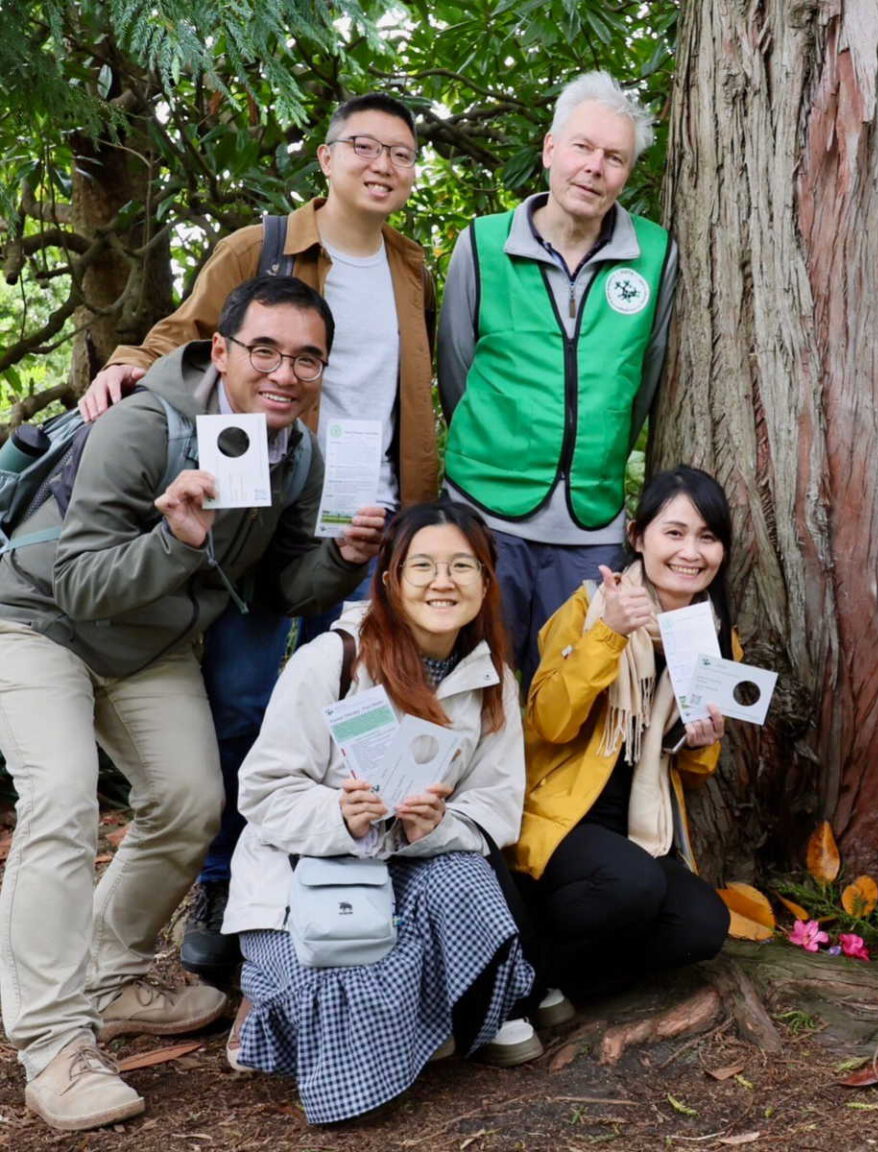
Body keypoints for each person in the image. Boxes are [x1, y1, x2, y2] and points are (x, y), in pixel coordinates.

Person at [0, 275, 384, 1132]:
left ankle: (114, 973)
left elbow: (283, 582)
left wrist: (346, 555)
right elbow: (81, 583)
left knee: (191, 802)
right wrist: (175, 539)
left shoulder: (296, 453)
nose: (284, 373)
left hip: (149, 643)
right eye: (266, 351)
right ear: (223, 352)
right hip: (35, 624)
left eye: (306, 358)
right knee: (60, 799)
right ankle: (53, 1042)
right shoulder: (144, 427)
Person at [79, 92, 438, 983]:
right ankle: (225, 881)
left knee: (357, 709)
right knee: (242, 704)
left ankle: (337, 880)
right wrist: (123, 368)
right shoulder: (262, 246)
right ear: (328, 157)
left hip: (363, 521)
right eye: (366, 147)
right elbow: (183, 336)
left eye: (401, 154)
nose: (383, 166)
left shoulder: (410, 266)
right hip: (257, 510)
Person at [223, 503, 537, 1124]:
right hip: (306, 877)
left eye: (460, 567)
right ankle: (273, 1002)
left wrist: (437, 825)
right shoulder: (333, 659)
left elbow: (496, 803)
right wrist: (341, 814)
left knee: (469, 879)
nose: (441, 582)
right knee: (345, 1002)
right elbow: (262, 788)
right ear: (390, 578)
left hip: (411, 865)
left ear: (486, 580)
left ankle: (429, 1016)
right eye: (421, 565)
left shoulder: (493, 676)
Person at [438, 70, 679, 679]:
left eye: (614, 157)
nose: (595, 167)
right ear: (550, 150)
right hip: (484, 513)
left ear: (627, 173)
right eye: (582, 147)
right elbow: (456, 371)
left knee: (572, 694)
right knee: (476, 682)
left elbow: (644, 383)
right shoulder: (482, 244)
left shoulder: (655, 254)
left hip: (591, 527)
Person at [515, 466, 732, 1001]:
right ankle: (524, 972)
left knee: (702, 926)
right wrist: (610, 635)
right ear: (638, 537)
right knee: (633, 885)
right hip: (561, 817)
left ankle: (567, 982)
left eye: (708, 537)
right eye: (674, 533)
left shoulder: (713, 635)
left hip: (641, 828)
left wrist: (701, 743)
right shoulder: (590, 608)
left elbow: (695, 773)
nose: (691, 552)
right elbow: (549, 722)